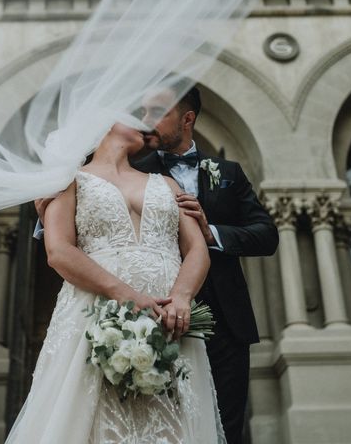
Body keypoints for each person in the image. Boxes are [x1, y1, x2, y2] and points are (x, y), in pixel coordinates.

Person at [6, 123, 226, 443]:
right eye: (132, 115)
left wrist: (181, 297)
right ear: (104, 121)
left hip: (169, 319)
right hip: (95, 313)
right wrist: (126, 295)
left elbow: (196, 250)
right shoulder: (67, 180)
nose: (145, 123)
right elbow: (59, 251)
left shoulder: (168, 183)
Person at [132, 82, 280, 444]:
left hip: (226, 322)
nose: (145, 121)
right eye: (143, 112)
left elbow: (266, 235)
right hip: (159, 314)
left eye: (157, 112)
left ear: (187, 118)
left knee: (225, 425)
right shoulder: (134, 172)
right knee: (161, 423)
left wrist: (211, 233)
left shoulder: (228, 172)